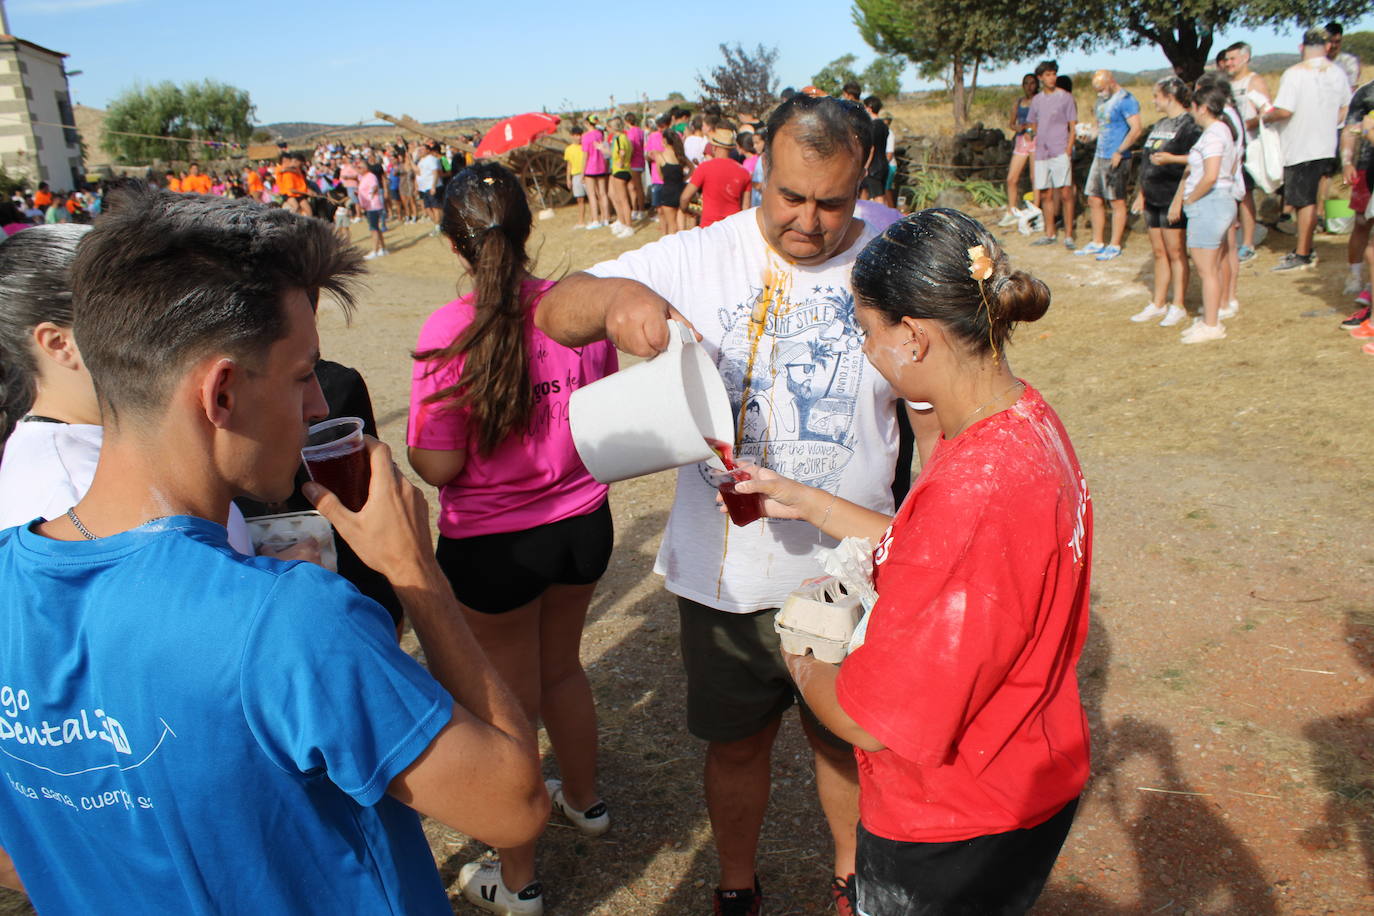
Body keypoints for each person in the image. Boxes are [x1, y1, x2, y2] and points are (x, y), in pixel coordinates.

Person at [0, 185, 549, 911]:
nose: (322, 405)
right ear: (220, 394)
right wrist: (417, 574)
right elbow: (514, 806)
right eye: (302, 376)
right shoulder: (293, 623)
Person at [535, 93, 934, 916]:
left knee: (846, 743)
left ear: (867, 179)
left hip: (855, 567)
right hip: (729, 577)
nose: (810, 223)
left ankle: (852, 882)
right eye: (790, 196)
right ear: (761, 167)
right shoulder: (697, 255)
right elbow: (555, 308)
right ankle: (736, 886)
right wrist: (615, 305)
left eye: (834, 202)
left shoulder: (900, 253)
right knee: (739, 745)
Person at [732, 207, 1090, 916]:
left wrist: (802, 653)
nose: (867, 352)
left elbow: (872, 722)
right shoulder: (1019, 427)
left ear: (915, 338)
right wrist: (804, 500)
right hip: (1024, 772)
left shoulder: (975, 487)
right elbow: (928, 544)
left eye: (869, 332)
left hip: (952, 817)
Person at [407, 163, 617, 916]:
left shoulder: (447, 329)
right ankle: (587, 803)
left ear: (451, 240)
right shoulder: (574, 308)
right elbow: (598, 411)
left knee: (508, 707)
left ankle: (518, 878)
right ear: (530, 226)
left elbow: (439, 463)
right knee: (563, 670)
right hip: (583, 528)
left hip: (496, 548)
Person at [1264, 27, 1352, 272]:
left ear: (1301, 47)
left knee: (1304, 202)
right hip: (1326, 143)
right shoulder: (1337, 72)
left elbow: (1285, 110)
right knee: (1312, 198)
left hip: (1301, 145)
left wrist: (1265, 116)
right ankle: (1305, 248)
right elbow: (1346, 107)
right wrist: (1328, 124)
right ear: (1325, 47)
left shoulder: (1294, 74)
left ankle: (1303, 252)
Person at [1166, 84, 1239, 343]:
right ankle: (1212, 314)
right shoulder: (1220, 132)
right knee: (1214, 265)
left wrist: (1190, 199)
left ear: (1204, 108)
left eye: (1195, 107)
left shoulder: (1214, 135)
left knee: (1206, 269)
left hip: (1210, 203)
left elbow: (1210, 176)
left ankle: (1211, 324)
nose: (1192, 111)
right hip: (1218, 202)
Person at [1130, 77, 1200, 328]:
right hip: (1153, 196)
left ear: (1170, 96)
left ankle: (1178, 304)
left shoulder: (1190, 126)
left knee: (1176, 252)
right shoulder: (1159, 124)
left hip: (1173, 196)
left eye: (1156, 95)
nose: (1153, 100)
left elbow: (1196, 161)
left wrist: (1178, 199)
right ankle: (1158, 302)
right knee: (1159, 252)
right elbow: (1147, 161)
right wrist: (1141, 193)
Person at [1076, 70, 1142, 260]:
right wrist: (1088, 136)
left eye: (1102, 89)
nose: (1100, 93)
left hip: (1117, 156)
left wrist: (1120, 151)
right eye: (1097, 90)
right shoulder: (1101, 102)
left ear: (1111, 82)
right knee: (1094, 198)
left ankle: (1115, 244)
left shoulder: (1126, 100)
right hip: (1100, 155)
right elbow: (1099, 126)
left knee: (1116, 200)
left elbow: (1136, 129)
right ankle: (1097, 241)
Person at [1221, 42, 1271, 261]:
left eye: (1233, 58)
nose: (1229, 63)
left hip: (1247, 147)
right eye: (1227, 59)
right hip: (1227, 149)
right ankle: (1231, 240)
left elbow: (1267, 112)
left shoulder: (1254, 81)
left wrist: (1248, 124)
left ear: (1245, 58)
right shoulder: (1225, 84)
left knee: (1245, 194)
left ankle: (1248, 243)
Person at [1027, 60, 1078, 249]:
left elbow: (1072, 126)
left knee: (1065, 193)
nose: (1051, 78)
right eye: (1047, 75)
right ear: (1040, 77)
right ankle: (1050, 233)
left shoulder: (1065, 98)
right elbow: (1033, 124)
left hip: (1060, 150)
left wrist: (1068, 149)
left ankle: (1069, 235)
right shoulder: (1037, 100)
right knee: (1046, 193)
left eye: (1053, 74)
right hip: (1042, 152)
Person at [678, 127, 752, 228]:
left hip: (709, 227)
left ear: (714, 147)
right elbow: (746, 207)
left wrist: (686, 210)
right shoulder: (744, 172)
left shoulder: (704, 167)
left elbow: (685, 197)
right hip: (733, 228)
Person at [999, 74, 1040, 227]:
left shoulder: (1040, 100)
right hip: (1022, 140)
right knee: (1012, 178)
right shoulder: (1019, 102)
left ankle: (1036, 210)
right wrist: (1018, 127)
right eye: (1026, 83)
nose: (1029, 86)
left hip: (1036, 140)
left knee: (1035, 177)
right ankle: (1011, 210)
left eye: (1032, 83)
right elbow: (1011, 123)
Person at [649, 115, 689, 235]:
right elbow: (692, 168)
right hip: (680, 190)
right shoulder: (680, 155)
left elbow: (661, 176)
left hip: (668, 191)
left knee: (671, 226)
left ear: (665, 141)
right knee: (682, 226)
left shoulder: (660, 157)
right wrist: (683, 178)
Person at [606, 116, 637, 238]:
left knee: (623, 200)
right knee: (622, 199)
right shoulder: (626, 138)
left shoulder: (619, 139)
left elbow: (622, 152)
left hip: (620, 171)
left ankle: (628, 225)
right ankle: (624, 223)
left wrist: (621, 161)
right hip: (627, 170)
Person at [581, 115, 612, 230]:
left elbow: (585, 156)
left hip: (590, 168)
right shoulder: (600, 134)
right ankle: (606, 218)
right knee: (603, 193)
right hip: (601, 167)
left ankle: (595, 219)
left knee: (592, 194)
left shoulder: (585, 137)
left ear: (587, 123)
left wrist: (582, 173)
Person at [357, 157, 387, 259]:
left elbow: (374, 187)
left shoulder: (370, 176)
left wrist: (369, 197)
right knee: (376, 228)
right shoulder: (363, 177)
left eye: (360, 167)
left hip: (372, 205)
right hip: (368, 205)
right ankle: (383, 248)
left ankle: (375, 250)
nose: (358, 169)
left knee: (373, 229)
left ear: (366, 168)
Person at [861, 96, 888, 202]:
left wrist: (866, 167)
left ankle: (880, 218)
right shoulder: (884, 125)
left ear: (869, 108)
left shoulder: (872, 126)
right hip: (884, 163)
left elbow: (871, 148)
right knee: (882, 194)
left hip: (874, 166)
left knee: (877, 196)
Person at [564, 125, 589, 228]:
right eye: (576, 135)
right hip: (576, 175)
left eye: (580, 135)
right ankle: (581, 221)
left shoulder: (585, 146)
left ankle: (595, 219)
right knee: (580, 199)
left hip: (587, 174)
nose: (579, 137)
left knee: (592, 198)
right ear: (572, 136)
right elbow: (569, 165)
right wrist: (568, 179)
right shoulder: (568, 149)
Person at [625, 111, 648, 219]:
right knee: (634, 186)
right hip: (640, 161)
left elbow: (631, 147)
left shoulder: (631, 132)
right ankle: (635, 209)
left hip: (634, 162)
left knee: (637, 187)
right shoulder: (640, 131)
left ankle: (641, 209)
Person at [417, 142, 445, 231]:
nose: (420, 151)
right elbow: (418, 172)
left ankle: (439, 225)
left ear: (428, 150)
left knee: (436, 207)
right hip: (424, 187)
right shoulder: (421, 160)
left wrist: (433, 186)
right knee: (428, 208)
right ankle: (437, 224)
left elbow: (435, 173)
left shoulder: (432, 159)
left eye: (422, 149)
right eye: (419, 149)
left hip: (433, 186)